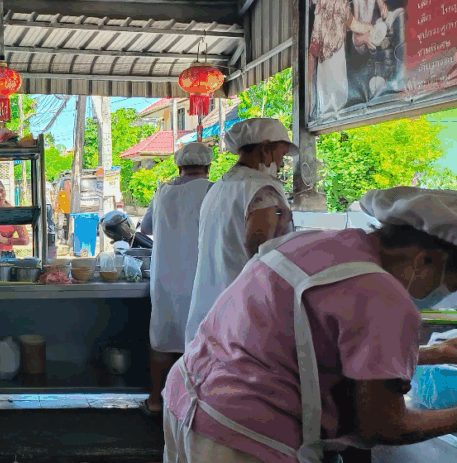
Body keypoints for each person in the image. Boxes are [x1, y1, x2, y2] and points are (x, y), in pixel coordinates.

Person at [163, 187, 457, 463]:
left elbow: (328, 350)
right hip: (243, 434)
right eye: (450, 284)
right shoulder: (386, 297)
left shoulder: (317, 244)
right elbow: (382, 426)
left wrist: (435, 353)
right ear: (426, 260)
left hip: (187, 398)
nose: (445, 294)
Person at [183, 118, 297, 347]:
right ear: (265, 148)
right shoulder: (261, 189)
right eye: (281, 156)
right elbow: (259, 248)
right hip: (243, 310)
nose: (282, 165)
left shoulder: (220, 186)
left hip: (209, 305)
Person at [138, 143, 214, 416]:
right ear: (207, 167)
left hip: (166, 277)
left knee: (162, 337)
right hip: (201, 277)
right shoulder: (211, 191)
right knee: (197, 341)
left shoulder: (162, 192)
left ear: (178, 166)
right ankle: (189, 407)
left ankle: (155, 401)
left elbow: (145, 229)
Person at [0, 179, 28, 259]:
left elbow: (25, 240)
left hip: (7, 255)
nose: (0, 195)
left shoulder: (13, 213)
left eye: (2, 191)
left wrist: (5, 240)